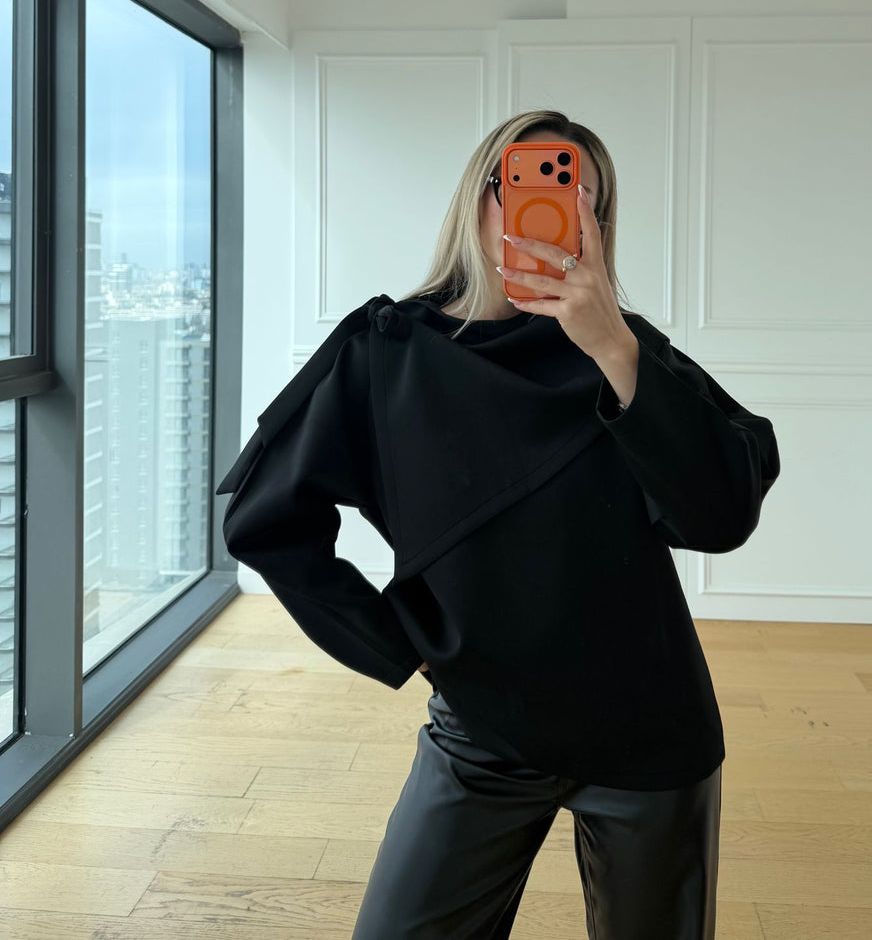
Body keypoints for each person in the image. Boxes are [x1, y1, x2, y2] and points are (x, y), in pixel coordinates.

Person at [219, 108, 781, 939]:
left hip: (650, 727)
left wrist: (614, 350)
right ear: (478, 197)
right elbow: (266, 518)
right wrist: (403, 645)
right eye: (522, 184)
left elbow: (722, 512)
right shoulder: (387, 351)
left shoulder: (625, 350)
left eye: (583, 198)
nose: (553, 211)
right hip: (481, 728)